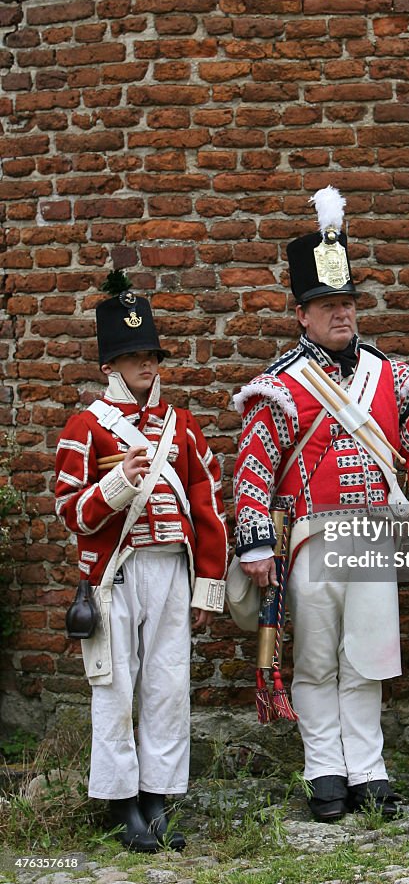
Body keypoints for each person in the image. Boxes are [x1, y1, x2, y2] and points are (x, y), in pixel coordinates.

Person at [232, 186, 409, 822]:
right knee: (318, 656)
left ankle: (369, 769)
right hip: (310, 542)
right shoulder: (279, 387)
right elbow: (254, 469)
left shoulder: (389, 377)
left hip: (375, 536)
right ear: (302, 314)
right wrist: (252, 542)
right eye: (327, 305)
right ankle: (323, 769)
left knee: (369, 655)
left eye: (347, 302)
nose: (341, 314)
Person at [55, 278, 228, 851]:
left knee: (167, 687)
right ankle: (120, 801)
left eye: (150, 355)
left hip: (172, 570)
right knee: (115, 687)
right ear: (113, 362)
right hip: (115, 575)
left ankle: (157, 797)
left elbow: (207, 505)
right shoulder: (87, 426)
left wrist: (207, 584)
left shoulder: (182, 426)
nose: (145, 365)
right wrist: (119, 483)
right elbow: (71, 511)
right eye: (133, 356)